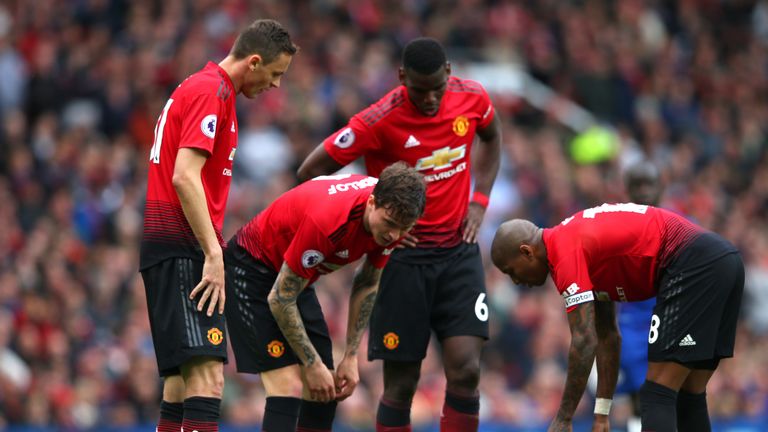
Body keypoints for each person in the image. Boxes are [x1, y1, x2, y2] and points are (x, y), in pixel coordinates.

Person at [297, 37, 502, 432]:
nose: (429, 100)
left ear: (449, 74)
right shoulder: (378, 120)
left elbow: (492, 138)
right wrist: (372, 220)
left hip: (459, 251)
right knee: (402, 384)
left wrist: (478, 200)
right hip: (402, 261)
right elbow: (309, 171)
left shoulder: (473, 98)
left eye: (436, 90)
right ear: (401, 77)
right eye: (419, 91)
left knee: (466, 370)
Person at [139, 19, 297, 432]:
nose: (276, 86)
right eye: (276, 74)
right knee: (208, 379)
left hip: (169, 246)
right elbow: (184, 176)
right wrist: (213, 253)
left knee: (180, 384)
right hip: (183, 247)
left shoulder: (208, 89)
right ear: (255, 61)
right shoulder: (212, 91)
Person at [490, 203, 744, 432]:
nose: (515, 280)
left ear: (527, 252)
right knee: (689, 394)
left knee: (657, 393)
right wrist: (602, 412)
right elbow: (607, 335)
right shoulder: (575, 243)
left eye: (511, 271)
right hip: (723, 262)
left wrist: (564, 418)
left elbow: (583, 341)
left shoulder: (564, 253)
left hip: (693, 265)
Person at [224, 162, 426, 432]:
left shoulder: (391, 219)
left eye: (404, 228)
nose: (394, 235)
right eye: (390, 225)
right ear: (371, 203)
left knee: (326, 389)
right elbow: (280, 299)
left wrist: (351, 356)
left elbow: (366, 283)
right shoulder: (329, 221)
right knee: (288, 386)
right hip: (250, 269)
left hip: (295, 276)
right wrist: (310, 363)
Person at [617, 161, 663, 432]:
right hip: (632, 325)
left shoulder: (680, 228)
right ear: (628, 190)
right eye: (638, 185)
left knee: (670, 396)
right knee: (641, 397)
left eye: (650, 184)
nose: (644, 191)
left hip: (670, 321)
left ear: (660, 188)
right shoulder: (616, 230)